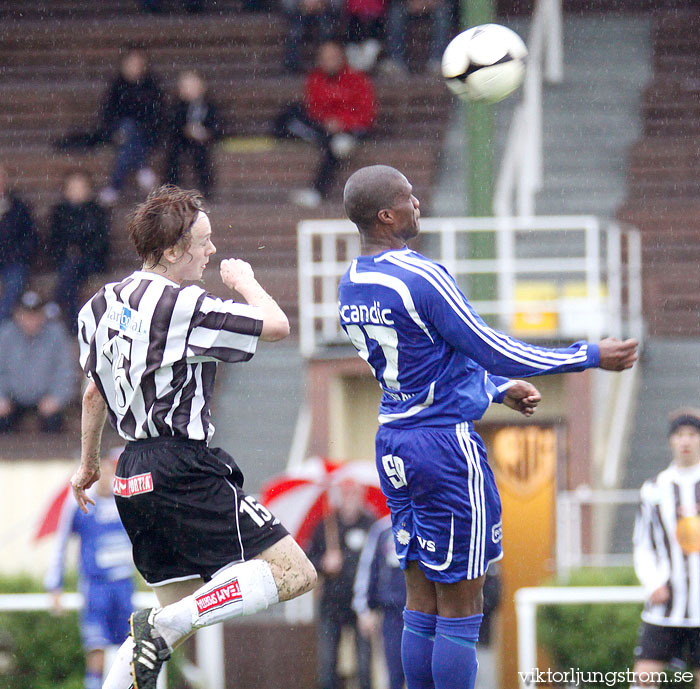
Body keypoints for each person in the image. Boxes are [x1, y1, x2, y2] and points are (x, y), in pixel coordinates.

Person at [337, 164, 638, 689]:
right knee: (462, 599)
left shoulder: (351, 284)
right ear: (387, 215)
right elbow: (488, 345)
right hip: (445, 447)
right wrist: (586, 355)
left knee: (419, 595)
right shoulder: (420, 274)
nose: (418, 204)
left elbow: (422, 359)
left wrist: (495, 388)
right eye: (409, 197)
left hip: (394, 443)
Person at [69, 185, 317, 689]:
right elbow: (276, 326)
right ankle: (165, 623)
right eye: (203, 241)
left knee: (160, 638)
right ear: (172, 249)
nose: (212, 250)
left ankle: (158, 632)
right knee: (293, 574)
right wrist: (246, 282)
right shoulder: (183, 305)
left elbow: (94, 391)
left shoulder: (97, 306)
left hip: (132, 472)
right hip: (180, 463)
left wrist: (88, 464)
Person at [44, 453, 135, 689]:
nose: (107, 478)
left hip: (124, 586)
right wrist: (55, 584)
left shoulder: (126, 502)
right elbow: (60, 544)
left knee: (130, 651)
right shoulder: (78, 504)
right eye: (102, 472)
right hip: (96, 587)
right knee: (96, 650)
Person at [631, 408, 700, 689]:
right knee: (644, 678)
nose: (686, 441)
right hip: (666, 606)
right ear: (671, 441)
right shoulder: (654, 488)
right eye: (680, 435)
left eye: (692, 435)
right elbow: (642, 544)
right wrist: (652, 582)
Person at [274, 41, 376, 208]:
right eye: (325, 57)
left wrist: (343, 123)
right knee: (292, 119)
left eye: (333, 57)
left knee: (335, 145)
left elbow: (366, 113)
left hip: (352, 128)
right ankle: (334, 141)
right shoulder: (315, 79)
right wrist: (327, 121)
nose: (329, 61)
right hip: (325, 128)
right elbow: (313, 107)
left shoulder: (357, 79)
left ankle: (317, 191)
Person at [307, 479, 376, 689]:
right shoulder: (326, 524)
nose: (350, 498)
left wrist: (375, 607)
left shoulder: (371, 525)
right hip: (331, 604)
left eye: (354, 493)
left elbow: (379, 566)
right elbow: (307, 560)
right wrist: (323, 562)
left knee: (364, 665)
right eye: (346, 493)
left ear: (361, 495)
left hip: (362, 606)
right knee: (328, 664)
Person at [0, 291, 76, 434]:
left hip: (46, 399)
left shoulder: (56, 334)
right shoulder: (5, 334)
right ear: (17, 314)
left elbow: (65, 371)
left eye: (35, 314)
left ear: (43, 314)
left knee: (54, 423)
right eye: (26, 314)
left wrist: (57, 398)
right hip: (10, 400)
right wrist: (1, 397)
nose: (31, 320)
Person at [96, 48, 164, 206]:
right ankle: (142, 168)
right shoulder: (117, 87)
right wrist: (114, 132)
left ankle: (114, 186)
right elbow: (108, 114)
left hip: (146, 135)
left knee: (130, 136)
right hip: (122, 135)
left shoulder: (151, 86)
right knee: (127, 131)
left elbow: (156, 115)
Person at [48, 171, 110, 332]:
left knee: (71, 271)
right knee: (71, 274)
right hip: (66, 262)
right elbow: (54, 240)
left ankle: (56, 303)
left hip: (92, 260)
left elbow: (101, 241)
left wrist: (81, 250)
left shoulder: (96, 211)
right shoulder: (59, 212)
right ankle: (74, 323)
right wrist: (69, 250)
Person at [353, 514, 406, 689]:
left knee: (425, 674)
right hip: (392, 614)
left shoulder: (428, 523)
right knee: (394, 673)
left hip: (426, 612)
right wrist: (363, 608)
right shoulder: (382, 529)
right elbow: (368, 568)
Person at [165, 70, 221, 198]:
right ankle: (171, 187)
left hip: (202, 140)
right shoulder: (178, 105)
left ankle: (206, 189)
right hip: (182, 139)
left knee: (201, 154)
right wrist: (186, 129)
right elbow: (173, 125)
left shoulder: (208, 105)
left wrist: (206, 133)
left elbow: (216, 125)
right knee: (173, 153)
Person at [0, 164, 38, 322]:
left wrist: (14, 256)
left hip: (12, 262)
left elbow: (30, 238)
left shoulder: (18, 207)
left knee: (16, 281)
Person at [380, 0, 451, 75]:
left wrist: (428, 3)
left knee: (443, 15)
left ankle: (437, 60)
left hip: (434, 5)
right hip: (406, 4)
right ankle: (395, 61)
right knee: (395, 14)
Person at [281, 0, 342, 74]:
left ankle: (325, 63)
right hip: (300, 11)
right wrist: (301, 3)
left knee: (327, 32)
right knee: (294, 34)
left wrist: (323, 3)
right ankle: (292, 64)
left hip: (324, 10)